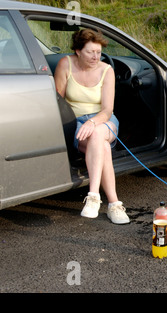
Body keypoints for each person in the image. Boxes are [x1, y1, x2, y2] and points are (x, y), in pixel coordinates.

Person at [54, 29, 130, 224]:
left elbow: (106, 110)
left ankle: (94, 196)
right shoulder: (66, 65)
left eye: (98, 52)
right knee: (102, 147)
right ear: (78, 51)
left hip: (104, 121)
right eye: (90, 52)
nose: (96, 56)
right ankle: (114, 204)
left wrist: (92, 121)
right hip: (77, 123)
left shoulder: (107, 70)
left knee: (97, 134)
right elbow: (58, 102)